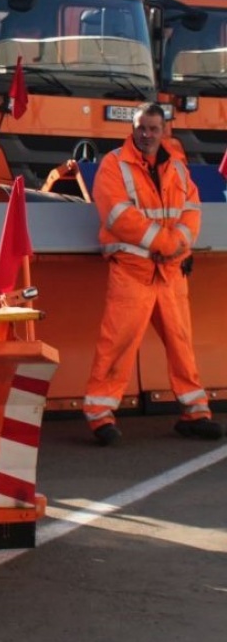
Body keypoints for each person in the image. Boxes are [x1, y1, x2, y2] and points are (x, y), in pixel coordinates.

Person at [83, 102, 223, 446]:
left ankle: (196, 413)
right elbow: (117, 215)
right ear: (133, 128)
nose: (146, 135)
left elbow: (191, 210)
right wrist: (167, 242)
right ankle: (100, 416)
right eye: (142, 128)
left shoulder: (176, 166)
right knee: (117, 344)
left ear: (164, 131)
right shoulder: (114, 165)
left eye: (153, 129)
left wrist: (179, 245)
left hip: (170, 272)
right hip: (133, 272)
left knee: (181, 345)